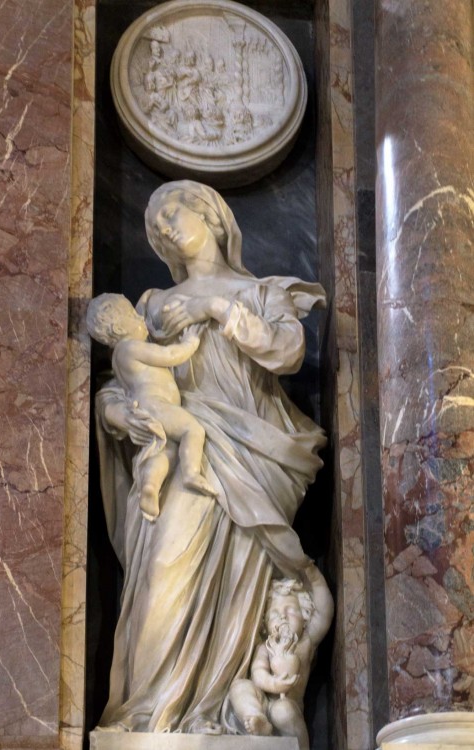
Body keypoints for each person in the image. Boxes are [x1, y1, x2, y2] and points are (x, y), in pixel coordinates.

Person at [95, 180, 331, 735]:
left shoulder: (264, 293)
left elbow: (287, 351)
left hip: (252, 455)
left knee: (237, 595)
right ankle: (148, 714)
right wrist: (117, 416)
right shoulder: (152, 306)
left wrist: (216, 307)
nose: (166, 226)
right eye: (155, 225)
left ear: (214, 217)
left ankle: (219, 706)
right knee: (161, 572)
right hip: (182, 446)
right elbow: (121, 381)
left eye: (175, 211)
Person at [86, 293, 216, 522]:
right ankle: (191, 473)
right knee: (193, 431)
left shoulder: (118, 359)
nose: (140, 318)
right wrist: (190, 343)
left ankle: (150, 487)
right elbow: (170, 355)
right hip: (157, 406)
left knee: (165, 450)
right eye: (133, 315)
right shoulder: (131, 348)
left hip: (146, 408)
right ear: (118, 327)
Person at [228, 566, 333, 750]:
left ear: (305, 617)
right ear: (265, 625)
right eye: (274, 614)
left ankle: (302, 746)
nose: (283, 616)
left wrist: (315, 579)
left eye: (291, 610)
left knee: (282, 711)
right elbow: (258, 673)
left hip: (287, 705)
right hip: (263, 702)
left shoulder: (306, 642)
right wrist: (273, 684)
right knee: (240, 686)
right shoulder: (264, 647)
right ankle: (256, 719)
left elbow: (324, 613)